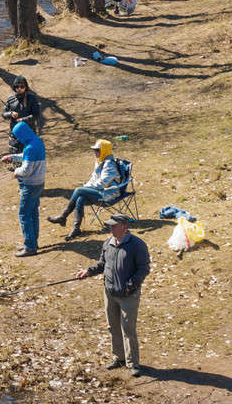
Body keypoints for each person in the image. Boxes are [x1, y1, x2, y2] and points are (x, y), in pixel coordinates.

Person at [77, 214, 151, 377]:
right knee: (113, 326)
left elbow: (144, 269)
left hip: (128, 296)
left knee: (128, 329)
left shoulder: (137, 245)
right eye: (110, 225)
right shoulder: (108, 243)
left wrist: (130, 286)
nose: (110, 228)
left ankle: (133, 363)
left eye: (113, 226)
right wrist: (87, 272)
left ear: (124, 227)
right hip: (109, 293)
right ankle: (119, 358)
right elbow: (103, 265)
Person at [47, 139, 122, 239]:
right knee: (80, 198)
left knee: (79, 190)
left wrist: (85, 188)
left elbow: (103, 183)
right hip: (100, 191)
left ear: (104, 150)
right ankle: (76, 228)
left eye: (97, 150)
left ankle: (63, 216)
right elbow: (94, 179)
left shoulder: (109, 164)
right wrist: (87, 186)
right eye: (94, 150)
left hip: (108, 194)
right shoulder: (100, 161)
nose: (95, 152)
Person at [1, 121, 46, 257]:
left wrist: (16, 172)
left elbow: (26, 170)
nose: (17, 138)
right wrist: (12, 157)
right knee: (33, 213)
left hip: (30, 185)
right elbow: (26, 156)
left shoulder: (31, 147)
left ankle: (30, 247)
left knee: (24, 214)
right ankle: (33, 242)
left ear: (22, 133)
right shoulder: (36, 141)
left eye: (17, 135)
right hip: (39, 183)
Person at [1, 75, 41, 152]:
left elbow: (36, 115)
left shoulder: (32, 98)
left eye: (22, 86)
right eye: (17, 86)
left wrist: (23, 120)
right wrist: (10, 113)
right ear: (14, 87)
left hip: (29, 133)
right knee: (15, 159)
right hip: (14, 135)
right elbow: (3, 114)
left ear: (26, 87)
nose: (19, 88)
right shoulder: (10, 99)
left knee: (29, 159)